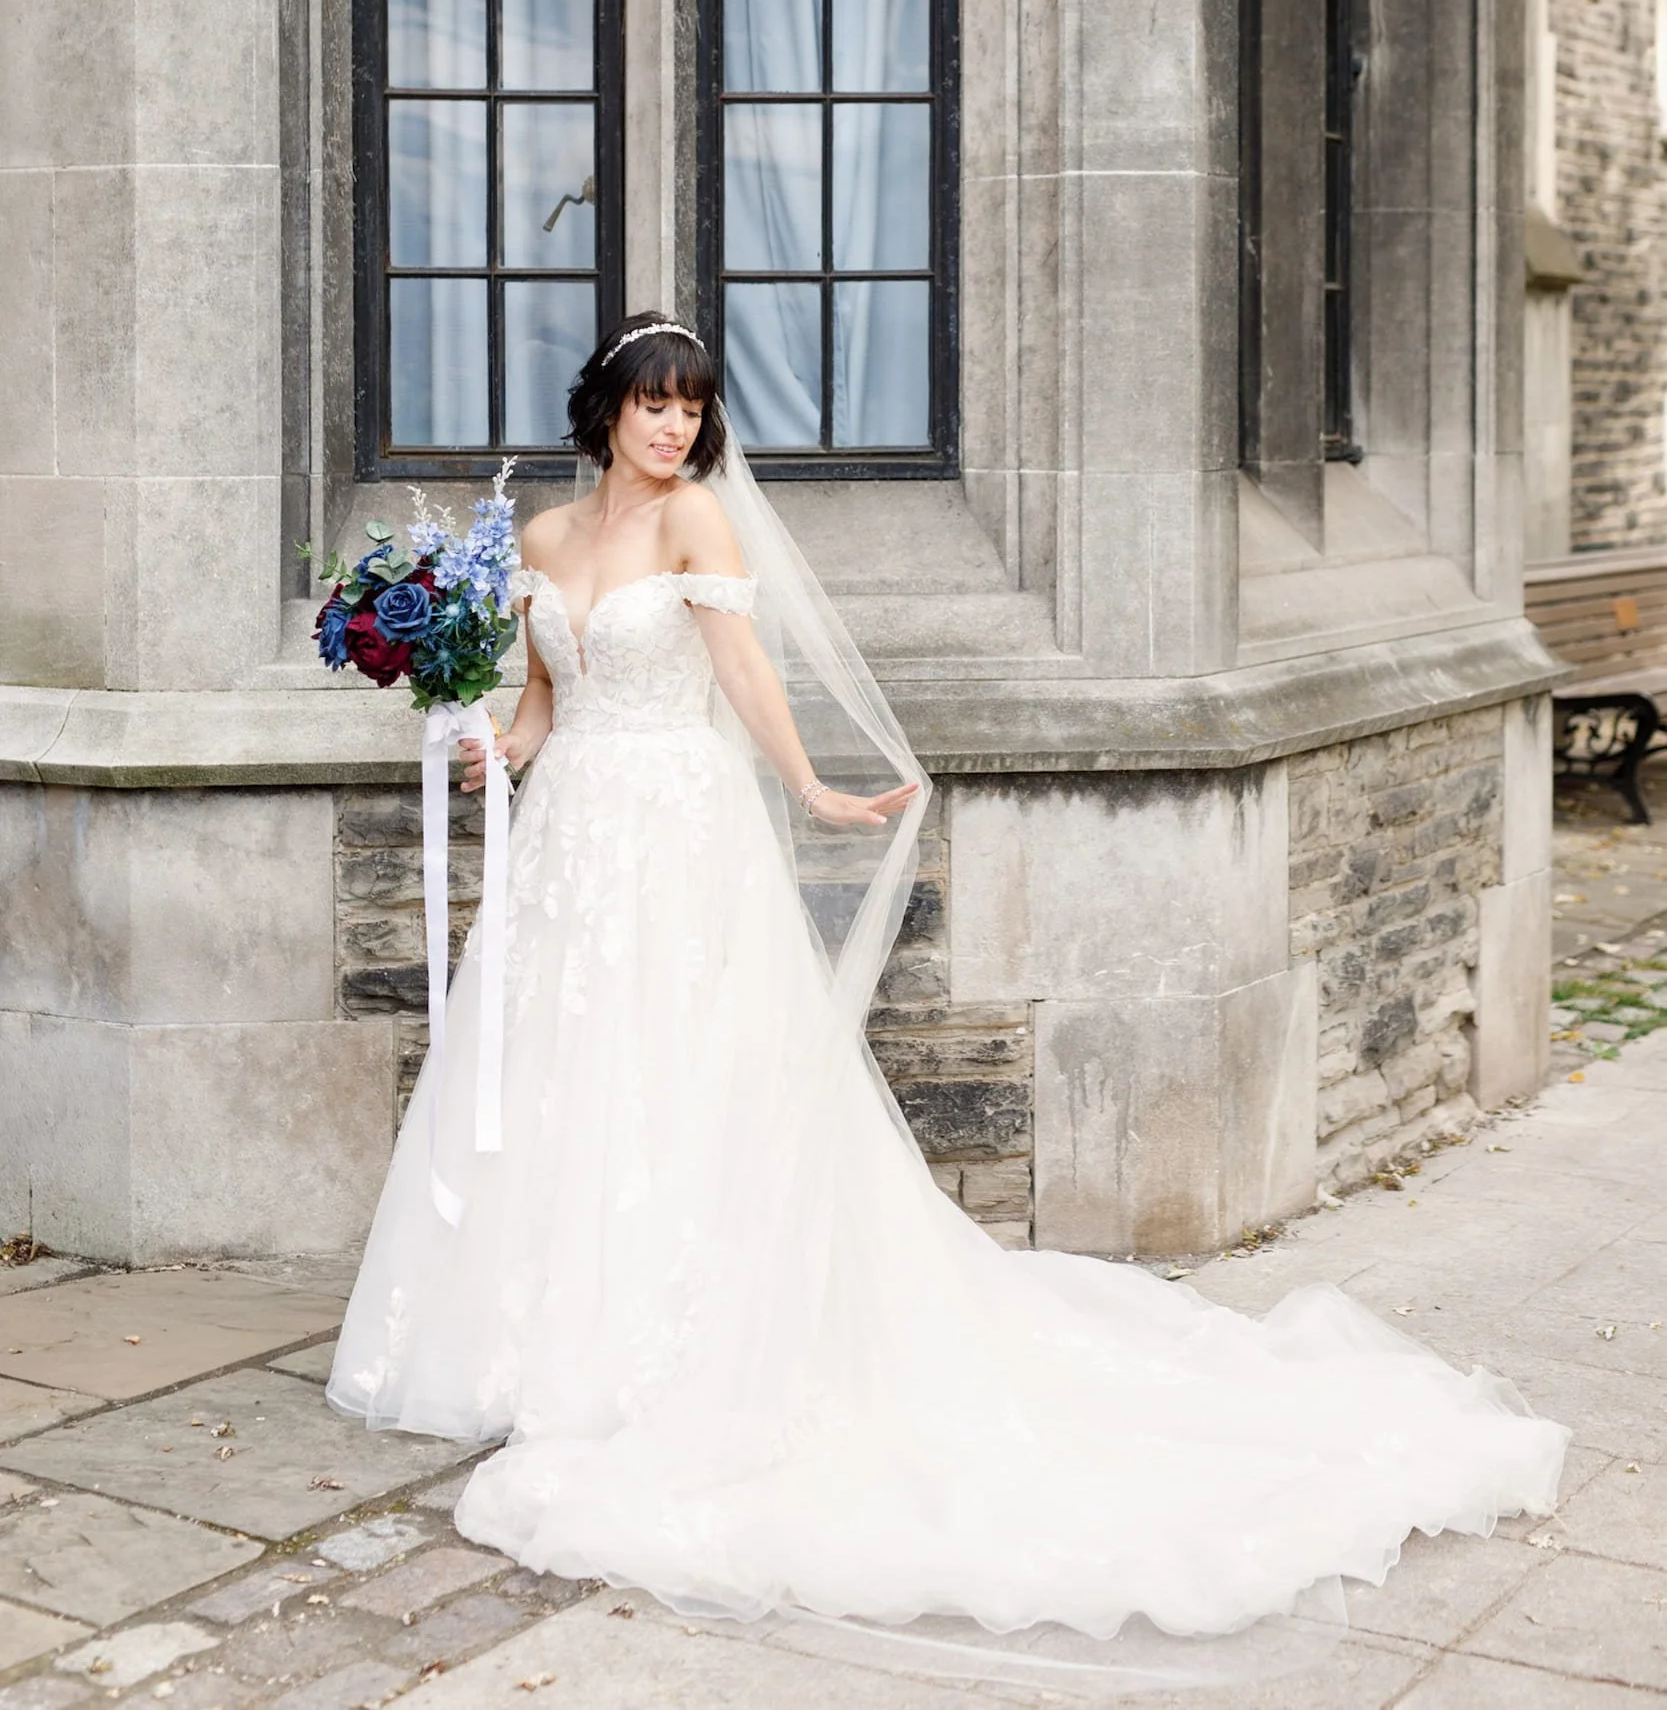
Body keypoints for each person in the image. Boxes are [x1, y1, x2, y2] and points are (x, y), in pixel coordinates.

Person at [328, 314, 1565, 1648]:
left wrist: (808, 786)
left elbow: (739, 670)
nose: (674, 426)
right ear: (605, 409)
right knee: (565, 1070)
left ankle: (680, 1342)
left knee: (683, 1070)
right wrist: (487, 754)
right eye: (653, 404)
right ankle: (532, 1340)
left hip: (681, 829)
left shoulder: (694, 525)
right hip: (576, 828)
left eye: (692, 408)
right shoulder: (543, 541)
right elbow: (540, 710)